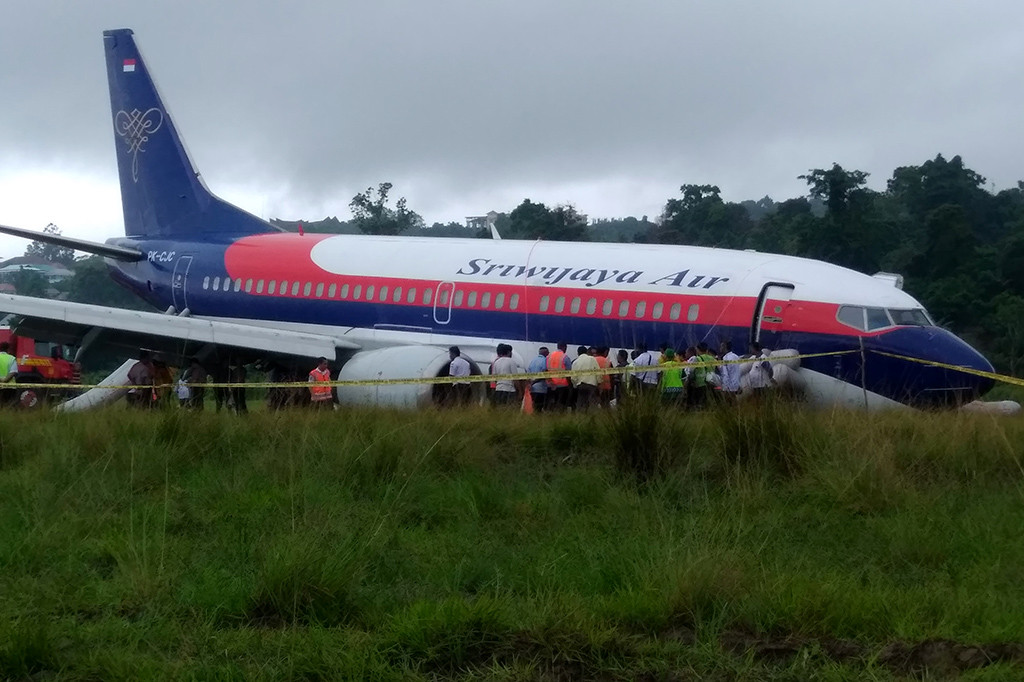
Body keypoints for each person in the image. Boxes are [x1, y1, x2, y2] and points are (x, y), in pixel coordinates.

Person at [571, 345, 600, 411]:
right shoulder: (592, 359)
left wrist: (575, 385)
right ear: (586, 352)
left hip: (581, 385)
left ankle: (581, 417)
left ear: (578, 353)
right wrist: (599, 382)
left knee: (581, 403)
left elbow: (573, 377)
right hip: (592, 385)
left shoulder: (575, 362)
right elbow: (598, 372)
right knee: (592, 404)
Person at [546, 342, 571, 411]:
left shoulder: (549, 356)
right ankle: (560, 417)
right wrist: (570, 385)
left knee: (550, 403)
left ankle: (550, 416)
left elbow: (545, 369)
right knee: (561, 404)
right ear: (564, 347)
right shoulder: (565, 357)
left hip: (550, 384)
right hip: (562, 384)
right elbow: (569, 372)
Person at [527, 346, 549, 413]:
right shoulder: (545, 361)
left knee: (534, 406)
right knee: (539, 407)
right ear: (546, 353)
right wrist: (534, 382)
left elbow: (528, 374)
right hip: (541, 389)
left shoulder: (532, 361)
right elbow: (544, 374)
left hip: (533, 389)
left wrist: (530, 383)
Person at [0, 342, 18, 406]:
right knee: (9, 407)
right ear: (8, 349)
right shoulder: (11, 358)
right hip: (10, 387)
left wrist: (1, 380)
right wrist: (5, 380)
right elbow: (13, 372)